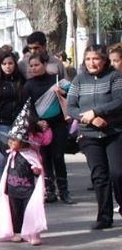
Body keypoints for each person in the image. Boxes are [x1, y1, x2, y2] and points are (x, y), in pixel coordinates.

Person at [66, 45, 122, 230]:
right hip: (88, 134)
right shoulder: (79, 79)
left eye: (96, 59)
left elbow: (119, 101)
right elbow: (71, 107)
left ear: (104, 60)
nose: (92, 63)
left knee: (117, 173)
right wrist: (88, 117)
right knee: (99, 176)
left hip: (113, 132)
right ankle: (104, 216)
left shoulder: (115, 77)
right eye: (88, 59)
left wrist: (98, 112)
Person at [0, 100, 51, 245]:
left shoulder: (31, 154)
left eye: (13, 141)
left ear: (23, 142)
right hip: (12, 190)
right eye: (9, 140)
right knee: (15, 212)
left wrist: (36, 171)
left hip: (27, 190)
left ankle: (32, 233)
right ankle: (17, 232)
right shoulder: (9, 152)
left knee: (31, 211)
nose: (10, 143)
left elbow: (38, 171)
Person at [22, 53, 73, 204]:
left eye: (36, 65)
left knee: (58, 156)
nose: (33, 68)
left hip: (58, 125)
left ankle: (64, 191)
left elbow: (74, 94)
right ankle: (49, 191)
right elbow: (26, 108)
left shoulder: (57, 80)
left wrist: (63, 93)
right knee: (45, 158)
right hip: (40, 128)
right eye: (31, 66)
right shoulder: (28, 85)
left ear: (45, 65)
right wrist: (37, 122)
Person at [0, 51, 26, 176]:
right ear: (0, 65)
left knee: (20, 157)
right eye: (4, 64)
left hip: (19, 125)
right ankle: (4, 188)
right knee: (3, 159)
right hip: (2, 125)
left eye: (10, 63)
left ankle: (18, 185)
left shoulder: (21, 80)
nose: (7, 66)